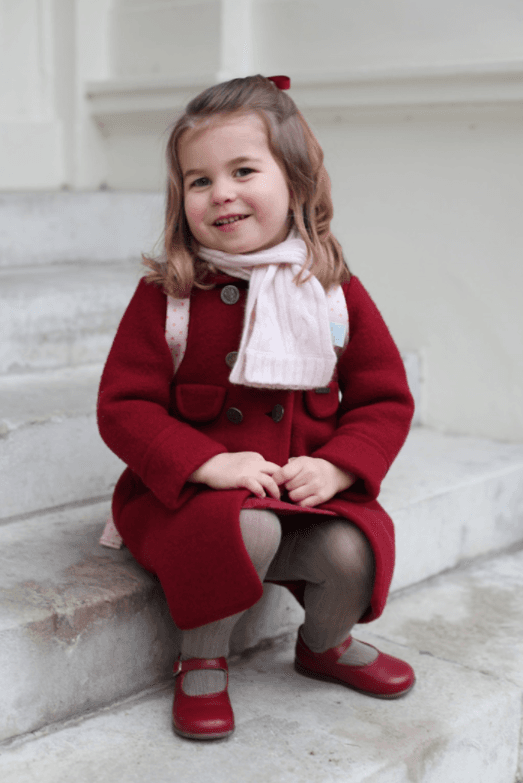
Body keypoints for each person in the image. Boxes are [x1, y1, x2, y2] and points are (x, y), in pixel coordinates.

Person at [97, 74, 416, 741]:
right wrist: (206, 463)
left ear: (295, 181)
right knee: (249, 530)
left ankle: (323, 644)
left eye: (243, 169)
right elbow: (124, 407)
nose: (221, 193)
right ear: (179, 196)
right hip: (195, 499)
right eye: (198, 180)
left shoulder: (329, 289)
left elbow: (383, 398)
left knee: (351, 545)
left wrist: (336, 469)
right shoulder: (171, 296)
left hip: (301, 493)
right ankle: (202, 657)